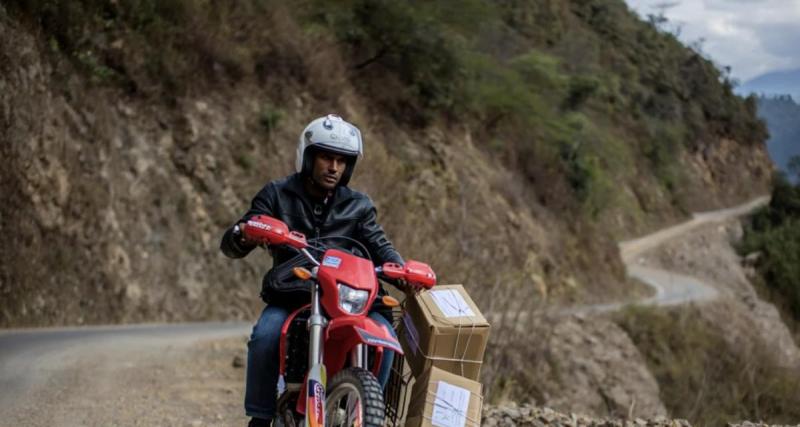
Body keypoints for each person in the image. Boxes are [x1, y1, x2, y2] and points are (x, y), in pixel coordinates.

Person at [220, 114, 405, 427]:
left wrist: (401, 270)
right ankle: (260, 417)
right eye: (326, 157)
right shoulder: (276, 194)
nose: (334, 167)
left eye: (342, 161)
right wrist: (244, 233)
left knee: (384, 337)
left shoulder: (359, 205)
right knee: (265, 335)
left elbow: (380, 245)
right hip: (294, 292)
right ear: (307, 156)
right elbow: (234, 242)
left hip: (349, 297)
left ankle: (369, 412)